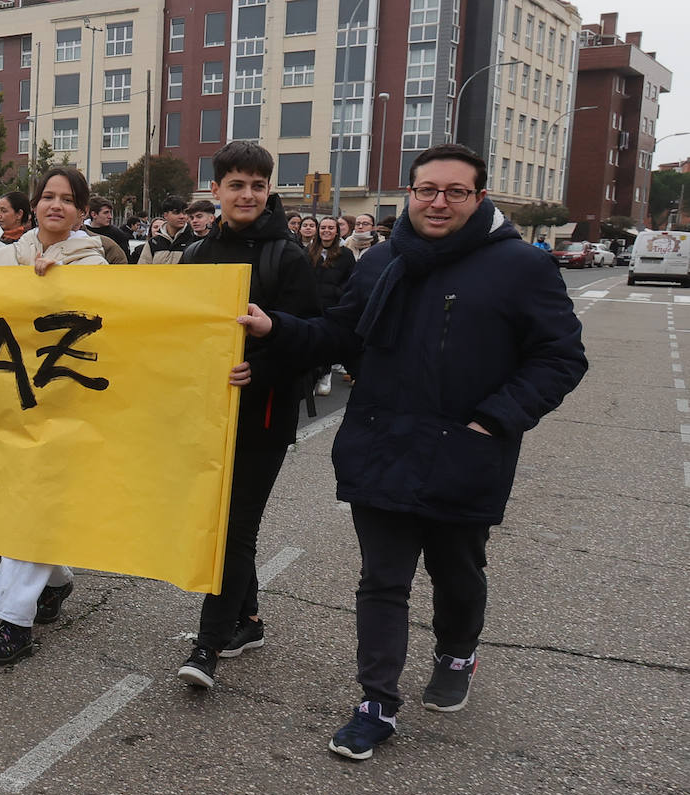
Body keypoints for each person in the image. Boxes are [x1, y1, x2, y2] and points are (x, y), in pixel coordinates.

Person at [237, 143, 587, 759]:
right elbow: (337, 333)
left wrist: (495, 420)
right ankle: (376, 702)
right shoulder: (379, 263)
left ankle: (457, 650)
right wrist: (276, 328)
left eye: (455, 191)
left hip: (466, 451)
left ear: (479, 198)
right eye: (427, 189)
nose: (438, 202)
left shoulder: (520, 267)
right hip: (383, 443)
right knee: (382, 579)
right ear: (409, 195)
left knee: (457, 571)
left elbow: (560, 357)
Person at [0, 166, 105, 665]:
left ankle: (14, 623)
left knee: (31, 504)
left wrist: (61, 291)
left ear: (80, 211)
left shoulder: (96, 264)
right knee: (20, 500)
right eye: (48, 196)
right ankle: (56, 583)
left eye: (67, 199)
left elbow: (106, 325)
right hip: (9, 398)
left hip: (64, 406)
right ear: (34, 205)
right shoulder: (6, 257)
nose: (56, 205)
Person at [173, 142, 319, 689]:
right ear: (215, 191)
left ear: (268, 191)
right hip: (206, 416)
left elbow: (312, 341)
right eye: (236, 184)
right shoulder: (195, 255)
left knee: (231, 529)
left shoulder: (288, 256)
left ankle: (207, 643)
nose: (247, 195)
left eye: (258, 185)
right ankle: (249, 620)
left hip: (262, 418)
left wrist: (260, 369)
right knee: (222, 521)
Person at [305, 214, 356, 397]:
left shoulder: (346, 254)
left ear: (337, 232)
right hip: (311, 304)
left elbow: (351, 280)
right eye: (323, 228)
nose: (326, 231)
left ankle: (325, 375)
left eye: (330, 228)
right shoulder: (309, 251)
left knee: (326, 342)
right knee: (310, 342)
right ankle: (311, 377)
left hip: (332, 305)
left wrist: (338, 294)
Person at [137, 196, 193, 264]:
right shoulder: (153, 243)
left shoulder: (193, 240)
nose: (182, 216)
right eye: (176, 212)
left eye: (184, 213)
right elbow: (143, 269)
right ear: (165, 215)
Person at [82, 195, 131, 265]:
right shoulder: (81, 233)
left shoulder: (118, 234)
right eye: (106, 213)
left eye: (110, 212)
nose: (110, 217)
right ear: (94, 214)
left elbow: (125, 261)